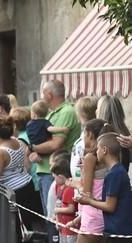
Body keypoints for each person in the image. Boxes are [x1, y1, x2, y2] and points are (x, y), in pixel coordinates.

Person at [69, 120, 113, 243]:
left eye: (85, 134)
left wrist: (74, 184)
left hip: (92, 215)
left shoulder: (90, 158)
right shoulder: (108, 158)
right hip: (103, 214)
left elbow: (85, 191)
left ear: (90, 135)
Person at [30, 79, 81, 213]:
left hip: (55, 172)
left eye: (43, 92)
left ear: (49, 95)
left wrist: (33, 148)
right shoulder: (50, 113)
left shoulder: (66, 112)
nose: (41, 96)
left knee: (53, 216)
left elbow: (55, 144)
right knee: (48, 216)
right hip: (45, 170)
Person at [51, 159, 77, 243]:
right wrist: (56, 218)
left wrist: (57, 210)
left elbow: (71, 208)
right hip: (62, 226)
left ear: (61, 176)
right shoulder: (59, 188)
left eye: (54, 176)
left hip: (70, 226)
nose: (53, 178)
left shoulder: (69, 190)